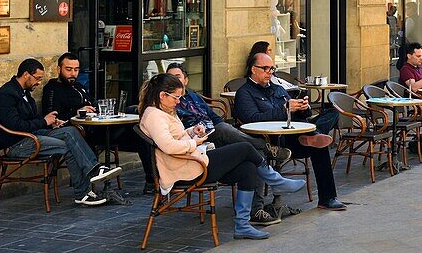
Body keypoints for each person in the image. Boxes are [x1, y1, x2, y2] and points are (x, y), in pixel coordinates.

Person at [139, 73, 271, 240]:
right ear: (162, 95)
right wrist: (194, 142)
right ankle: (274, 178)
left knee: (248, 168)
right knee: (244, 148)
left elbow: (174, 137)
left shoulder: (163, 111)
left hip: (192, 161)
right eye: (176, 97)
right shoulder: (154, 116)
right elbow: (169, 146)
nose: (179, 101)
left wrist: (191, 131)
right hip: (186, 168)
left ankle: (242, 225)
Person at [167, 63, 301, 227]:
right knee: (245, 144)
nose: (174, 80)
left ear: (186, 80)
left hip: (211, 135)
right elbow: (174, 137)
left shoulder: (194, 96)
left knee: (247, 151)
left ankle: (253, 213)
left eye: (178, 77)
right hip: (199, 148)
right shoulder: (168, 105)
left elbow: (212, 117)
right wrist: (195, 136)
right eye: (170, 77)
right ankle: (271, 163)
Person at [0, 58, 121, 206]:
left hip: (33, 135)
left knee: (69, 131)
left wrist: (50, 122)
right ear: (26, 74)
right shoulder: (6, 95)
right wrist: (43, 121)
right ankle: (85, 189)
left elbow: (30, 119)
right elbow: (15, 125)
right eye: (37, 78)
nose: (39, 83)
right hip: (17, 144)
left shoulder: (24, 92)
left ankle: (93, 173)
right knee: (69, 147)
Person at [233, 52, 347, 211]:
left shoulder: (278, 88)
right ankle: (314, 138)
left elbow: (299, 114)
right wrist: (285, 109)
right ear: (253, 69)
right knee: (318, 145)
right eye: (265, 68)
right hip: (274, 142)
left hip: (296, 131)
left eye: (272, 69)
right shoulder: (244, 93)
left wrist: (303, 107)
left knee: (332, 113)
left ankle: (315, 135)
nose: (270, 72)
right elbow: (253, 119)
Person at [41, 52, 156, 193]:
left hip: (101, 127)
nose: (73, 73)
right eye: (68, 69)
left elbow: (94, 103)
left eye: (76, 70)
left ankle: (152, 180)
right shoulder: (52, 89)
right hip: (84, 134)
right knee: (136, 128)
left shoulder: (78, 86)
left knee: (139, 130)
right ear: (59, 69)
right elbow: (54, 119)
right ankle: (100, 178)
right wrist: (78, 112)